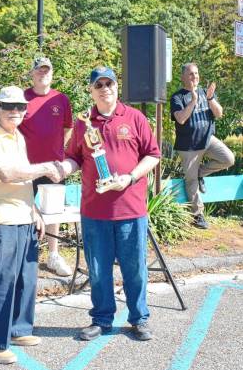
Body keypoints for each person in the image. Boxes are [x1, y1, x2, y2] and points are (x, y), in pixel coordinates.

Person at [55, 66, 160, 342]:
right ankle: (102, 319)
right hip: (95, 211)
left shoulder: (135, 118)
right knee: (99, 271)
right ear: (92, 91)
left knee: (135, 269)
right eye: (98, 85)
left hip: (131, 209)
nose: (105, 89)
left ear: (117, 87)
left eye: (109, 83)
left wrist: (130, 177)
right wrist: (62, 168)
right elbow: (74, 158)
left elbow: (153, 155)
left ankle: (139, 319)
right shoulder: (83, 123)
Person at [0, 86, 61, 364]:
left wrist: (35, 210)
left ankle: (19, 329)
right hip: (3, 220)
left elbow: (24, 181)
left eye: (20, 107)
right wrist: (47, 167)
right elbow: (7, 174)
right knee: (3, 282)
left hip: (25, 217)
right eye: (8, 106)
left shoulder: (18, 137)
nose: (15, 111)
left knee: (27, 278)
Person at [19, 57, 74, 277]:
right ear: (32, 74)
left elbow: (68, 127)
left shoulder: (61, 99)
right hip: (26, 167)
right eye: (39, 70)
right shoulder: (22, 98)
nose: (43, 74)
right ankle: (25, 254)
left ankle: (53, 255)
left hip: (54, 166)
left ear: (52, 73)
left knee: (54, 213)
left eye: (47, 70)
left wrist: (59, 152)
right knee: (24, 209)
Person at [170, 63, 235, 229]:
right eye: (191, 74)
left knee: (228, 158)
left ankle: (200, 172)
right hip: (188, 146)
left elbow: (219, 113)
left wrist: (210, 99)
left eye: (197, 74)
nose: (195, 77)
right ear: (183, 77)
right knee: (191, 181)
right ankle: (198, 216)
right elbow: (181, 119)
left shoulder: (206, 93)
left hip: (207, 139)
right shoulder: (177, 97)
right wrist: (193, 100)